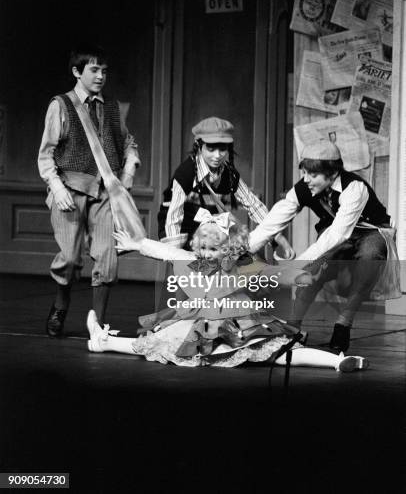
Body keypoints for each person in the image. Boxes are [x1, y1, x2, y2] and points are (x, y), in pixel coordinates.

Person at [86, 211, 369, 372]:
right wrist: (138, 244)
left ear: (228, 248)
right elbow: (164, 251)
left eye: (215, 248)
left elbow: (273, 272)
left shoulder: (240, 266)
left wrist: (300, 276)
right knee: (156, 342)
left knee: (278, 352)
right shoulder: (190, 263)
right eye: (204, 248)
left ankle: (338, 361)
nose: (208, 254)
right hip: (197, 323)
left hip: (240, 323)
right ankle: (102, 340)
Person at [249, 139, 400, 352]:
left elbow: (339, 233)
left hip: (369, 232)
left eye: (313, 175)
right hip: (334, 231)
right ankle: (294, 328)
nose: (306, 180)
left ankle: (343, 323)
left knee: (370, 255)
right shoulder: (304, 187)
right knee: (314, 270)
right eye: (304, 173)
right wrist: (244, 251)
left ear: (332, 173)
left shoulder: (354, 187)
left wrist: (297, 264)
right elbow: (272, 222)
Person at [38, 43, 140, 337]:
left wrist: (129, 169)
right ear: (76, 71)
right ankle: (61, 303)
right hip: (69, 189)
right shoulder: (61, 105)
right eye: (94, 69)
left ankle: (98, 323)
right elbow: (46, 154)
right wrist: (56, 188)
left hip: (105, 192)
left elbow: (128, 143)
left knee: (108, 257)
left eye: (104, 71)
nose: (100, 76)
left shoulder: (111, 107)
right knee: (70, 258)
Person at [157, 116, 293, 257]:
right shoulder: (186, 173)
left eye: (222, 149)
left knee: (242, 259)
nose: (217, 156)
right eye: (211, 149)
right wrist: (175, 254)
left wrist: (278, 238)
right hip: (178, 227)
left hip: (209, 225)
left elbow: (253, 205)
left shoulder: (228, 173)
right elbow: (174, 216)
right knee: (195, 269)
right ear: (199, 146)